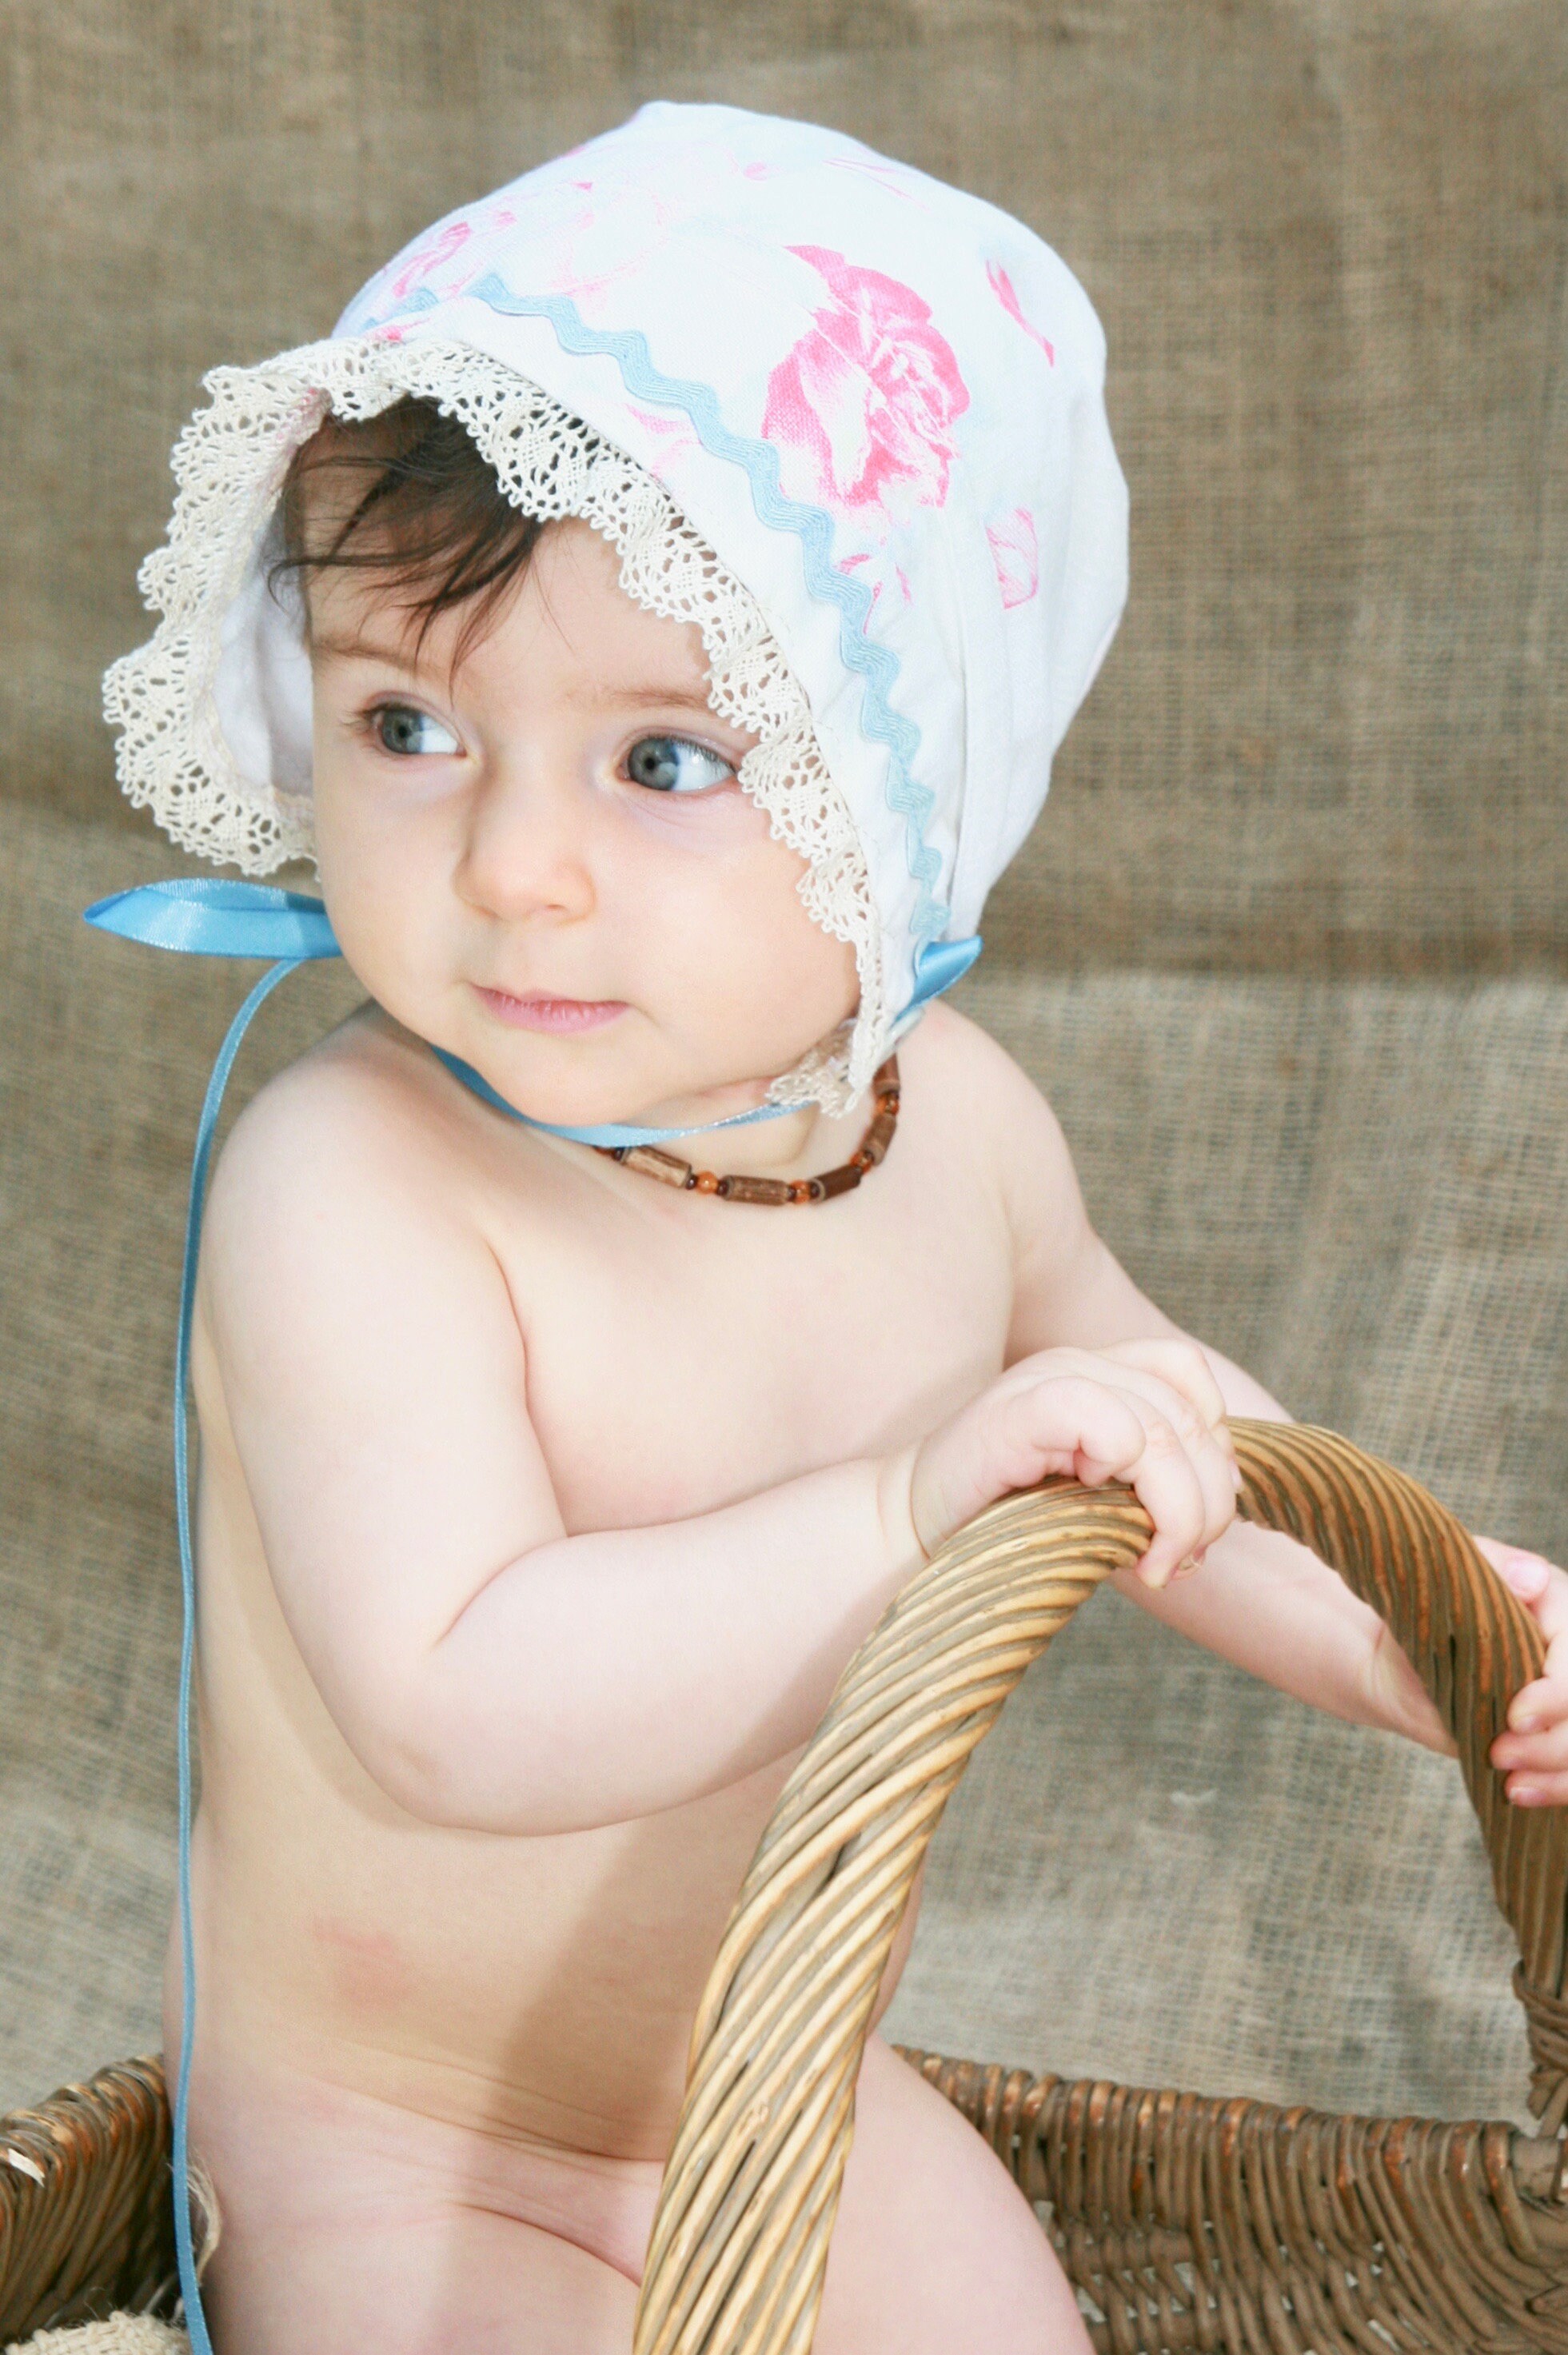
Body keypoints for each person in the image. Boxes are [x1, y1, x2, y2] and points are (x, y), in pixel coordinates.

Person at [90, 101, 1568, 2355]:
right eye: (408, 722)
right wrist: (899, 1501)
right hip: (404, 2133)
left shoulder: (949, 1126)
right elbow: (453, 1699)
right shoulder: (356, 1186)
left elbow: (1164, 1438)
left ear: (906, 793)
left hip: (765, 2084)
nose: (509, 869)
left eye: (661, 761)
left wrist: (1444, 1640)